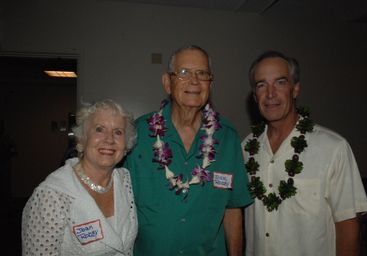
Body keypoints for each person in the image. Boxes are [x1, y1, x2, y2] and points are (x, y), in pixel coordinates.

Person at [124, 45, 252, 256]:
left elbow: (233, 209)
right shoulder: (138, 133)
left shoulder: (227, 137)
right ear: (167, 82)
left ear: (210, 84)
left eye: (202, 73)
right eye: (184, 73)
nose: (194, 81)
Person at [242, 50, 367, 256]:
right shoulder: (246, 148)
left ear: (295, 89)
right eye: (261, 85)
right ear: (255, 96)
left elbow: (348, 229)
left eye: (280, 82)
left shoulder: (333, 148)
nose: (270, 93)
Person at [22, 99, 138, 255]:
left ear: (126, 145)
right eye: (99, 129)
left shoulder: (124, 181)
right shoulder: (51, 195)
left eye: (118, 132)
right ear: (82, 139)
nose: (109, 139)